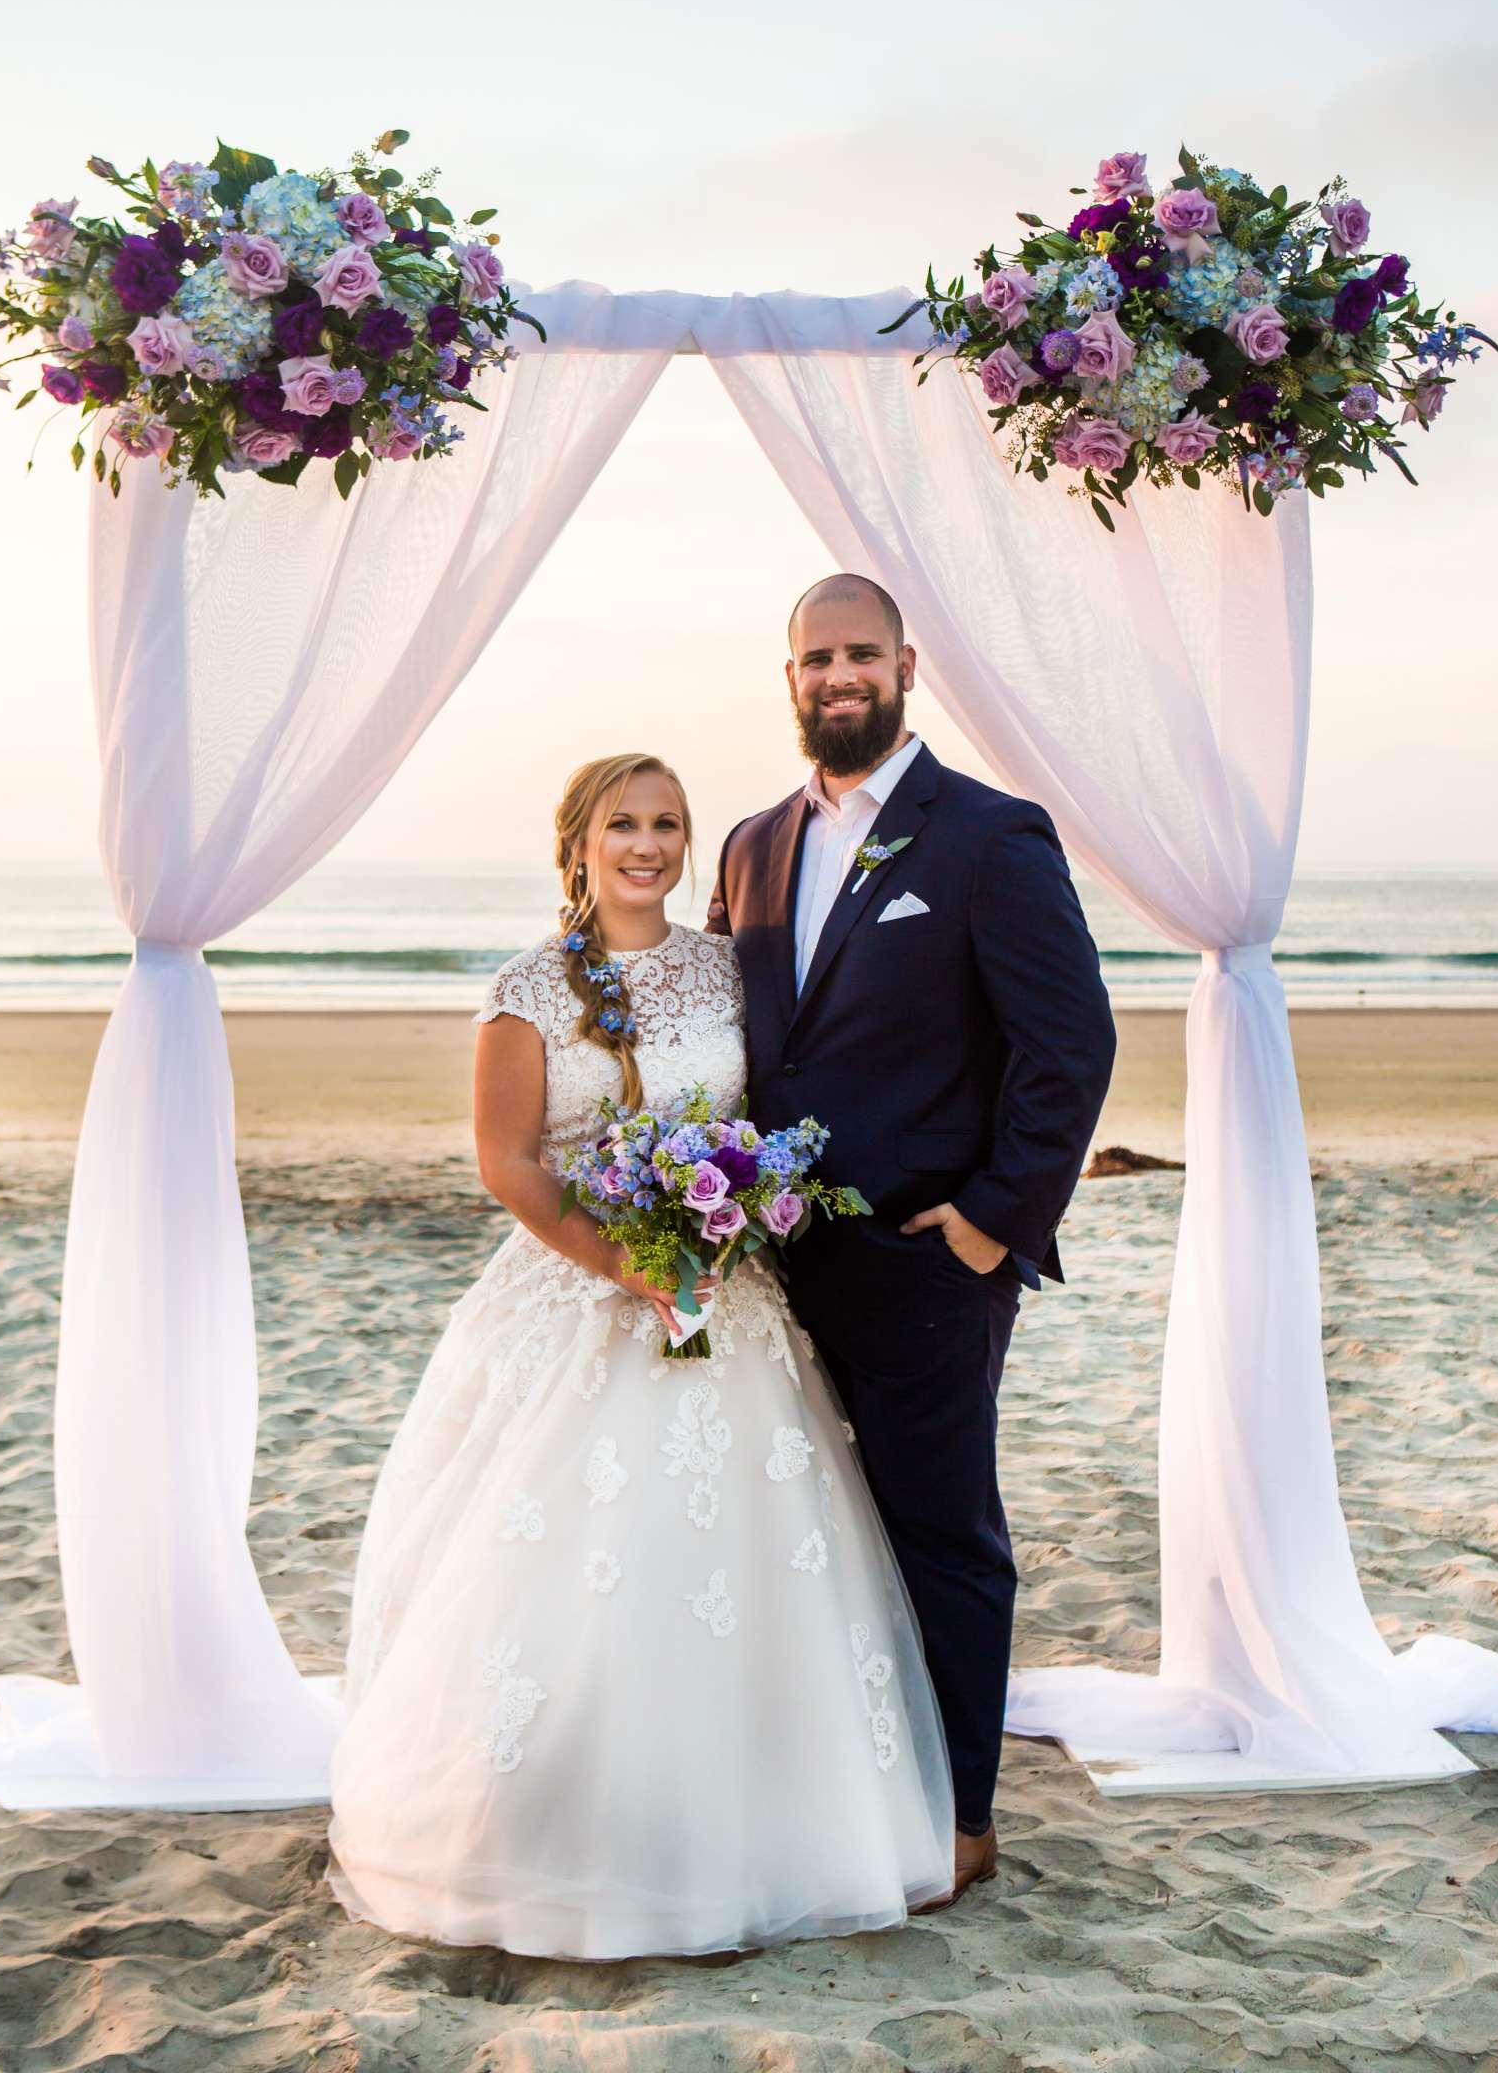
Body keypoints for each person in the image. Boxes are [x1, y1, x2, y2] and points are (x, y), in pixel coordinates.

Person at [327, 752, 955, 1959]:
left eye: (669, 824)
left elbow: (784, 1106)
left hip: (730, 1303)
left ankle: (761, 1833)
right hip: (578, 1298)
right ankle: (548, 1832)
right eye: (625, 824)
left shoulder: (729, 974)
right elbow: (510, 1163)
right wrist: (626, 1265)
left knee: (741, 1575)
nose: (650, 845)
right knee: (565, 1577)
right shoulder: (525, 992)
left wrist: (738, 1215)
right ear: (578, 841)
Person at [708, 576, 1116, 1905]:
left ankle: (960, 1821)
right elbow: (728, 1043)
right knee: (801, 1534)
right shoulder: (751, 844)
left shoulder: (990, 836)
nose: (839, 676)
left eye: (860, 655)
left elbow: (1069, 1048)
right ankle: (833, 1783)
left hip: (926, 1266)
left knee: (941, 1536)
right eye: (816, 657)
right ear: (789, 677)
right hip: (772, 1269)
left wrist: (995, 1225)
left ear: (906, 666)